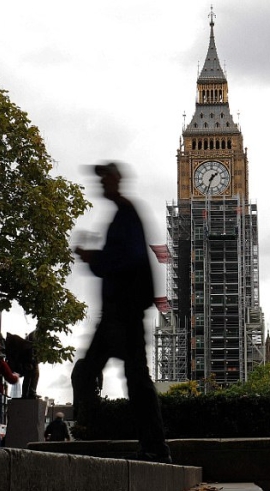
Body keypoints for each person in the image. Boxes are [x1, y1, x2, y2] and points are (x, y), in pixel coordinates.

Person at [71, 162, 171, 463]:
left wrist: (93, 257)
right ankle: (153, 445)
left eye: (104, 179)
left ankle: (91, 428)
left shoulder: (126, 214)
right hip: (121, 314)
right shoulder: (124, 213)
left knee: (95, 373)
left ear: (116, 180)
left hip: (122, 315)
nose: (101, 185)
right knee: (134, 379)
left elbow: (126, 261)